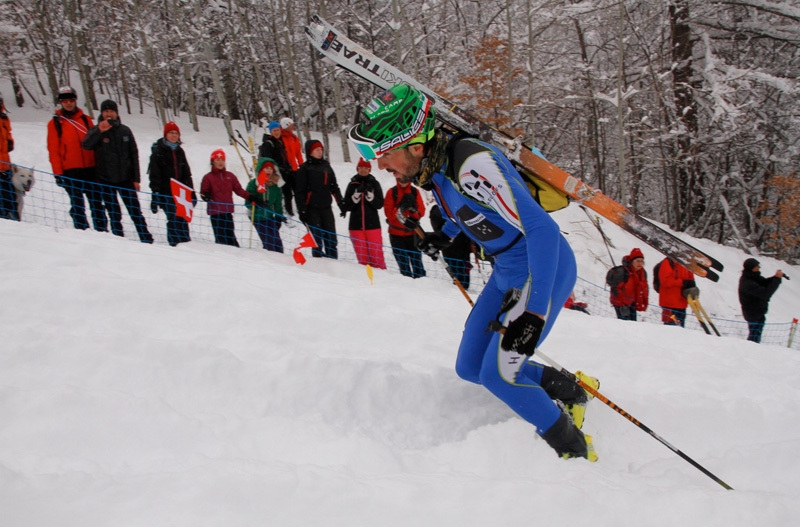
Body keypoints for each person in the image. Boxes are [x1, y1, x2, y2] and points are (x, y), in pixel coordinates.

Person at [348, 83, 598, 461]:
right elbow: (467, 211)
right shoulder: (434, 167)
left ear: (415, 146)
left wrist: (534, 311)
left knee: (501, 377)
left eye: (382, 154)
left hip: (542, 268)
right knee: (470, 367)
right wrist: (443, 237)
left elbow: (542, 230)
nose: (379, 164)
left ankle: (576, 453)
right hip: (508, 271)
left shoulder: (472, 166)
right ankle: (570, 391)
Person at [81, 99, 153, 243]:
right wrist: (99, 131)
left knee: (135, 211)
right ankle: (118, 240)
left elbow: (134, 155)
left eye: (112, 111)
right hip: (105, 179)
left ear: (116, 113)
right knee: (114, 212)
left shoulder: (125, 130)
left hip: (126, 179)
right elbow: (86, 145)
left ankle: (146, 238)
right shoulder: (96, 130)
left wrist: (136, 179)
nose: (109, 114)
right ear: (102, 113)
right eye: (106, 111)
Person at [47, 86, 108, 232]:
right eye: (65, 100)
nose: (68, 103)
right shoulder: (55, 123)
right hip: (70, 171)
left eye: (71, 100)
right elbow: (53, 150)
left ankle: (101, 231)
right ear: (61, 102)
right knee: (77, 203)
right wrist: (58, 173)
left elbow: (95, 142)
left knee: (96, 202)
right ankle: (81, 231)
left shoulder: (86, 120)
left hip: (90, 168)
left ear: (75, 100)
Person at [148, 121, 196, 247]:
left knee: (183, 218)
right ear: (165, 135)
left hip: (181, 192)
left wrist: (192, 193)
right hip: (166, 192)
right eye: (171, 133)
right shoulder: (158, 152)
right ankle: (174, 244)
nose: (174, 136)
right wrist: (155, 194)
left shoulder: (180, 152)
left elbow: (187, 174)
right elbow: (154, 175)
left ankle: (186, 243)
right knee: (173, 217)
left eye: (176, 133)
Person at [295, 139, 344, 259]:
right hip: (312, 209)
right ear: (310, 152)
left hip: (326, 208)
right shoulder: (305, 168)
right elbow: (299, 192)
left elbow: (334, 187)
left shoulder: (326, 166)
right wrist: (302, 210)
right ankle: (319, 265)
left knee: (331, 239)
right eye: (317, 150)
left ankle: (333, 261)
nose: (320, 152)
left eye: (321, 149)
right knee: (316, 240)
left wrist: (341, 203)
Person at [200, 148, 256, 247]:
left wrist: (249, 197)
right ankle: (223, 257)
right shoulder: (208, 177)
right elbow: (203, 192)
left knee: (230, 235)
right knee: (220, 237)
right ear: (212, 162)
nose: (220, 162)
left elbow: (239, 190)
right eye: (217, 160)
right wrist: (206, 196)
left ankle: (236, 255)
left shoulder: (230, 176)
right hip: (216, 212)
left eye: (222, 159)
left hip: (227, 211)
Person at [342, 157, 386, 269]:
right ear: (357, 169)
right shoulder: (352, 184)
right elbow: (346, 206)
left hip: (373, 225)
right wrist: (355, 198)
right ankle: (366, 282)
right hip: (356, 226)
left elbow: (380, 204)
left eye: (366, 168)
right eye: (361, 167)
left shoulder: (375, 184)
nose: (363, 170)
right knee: (363, 259)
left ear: (369, 169)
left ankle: (382, 280)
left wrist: (371, 199)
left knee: (377, 257)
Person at [384, 169, 426, 278]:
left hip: (413, 234)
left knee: (417, 265)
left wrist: (413, 211)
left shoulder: (414, 192)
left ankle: (422, 286)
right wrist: (400, 207)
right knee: (403, 266)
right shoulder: (392, 192)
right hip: (396, 235)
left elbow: (421, 211)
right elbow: (389, 215)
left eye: (405, 177)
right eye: (400, 178)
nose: (403, 181)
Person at [738, 258, 784, 343]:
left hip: (758, 312)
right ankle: (751, 350)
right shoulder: (747, 282)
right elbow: (766, 293)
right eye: (757, 266)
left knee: (755, 335)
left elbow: (764, 282)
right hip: (752, 313)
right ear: (752, 268)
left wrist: (775, 277)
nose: (759, 267)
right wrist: (777, 280)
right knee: (754, 337)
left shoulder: (753, 276)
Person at [245, 157, 284, 252]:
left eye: (270, 168)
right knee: (269, 243)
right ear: (261, 169)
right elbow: (247, 202)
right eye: (266, 168)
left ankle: (280, 263)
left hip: (270, 217)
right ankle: (269, 263)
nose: (269, 170)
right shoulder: (253, 183)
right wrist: (257, 203)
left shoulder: (276, 185)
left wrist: (279, 216)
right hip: (258, 217)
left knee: (278, 244)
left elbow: (278, 203)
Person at [430, 204, 472, 289]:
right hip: (452, 246)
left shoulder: (454, 207)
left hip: (460, 244)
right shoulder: (438, 210)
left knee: (463, 265)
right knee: (458, 267)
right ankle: (460, 286)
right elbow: (438, 229)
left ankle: (463, 286)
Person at [259, 121, 295, 216]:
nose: (276, 132)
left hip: (285, 170)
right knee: (279, 193)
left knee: (288, 193)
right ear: (271, 132)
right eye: (274, 130)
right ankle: (280, 212)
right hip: (275, 172)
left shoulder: (280, 142)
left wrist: (287, 166)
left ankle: (288, 211)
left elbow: (284, 156)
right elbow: (268, 160)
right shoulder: (268, 144)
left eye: (278, 130)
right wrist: (279, 168)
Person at [654, 256, 696, 327]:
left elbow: (690, 277)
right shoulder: (668, 262)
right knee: (670, 332)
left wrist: (691, 284)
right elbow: (665, 281)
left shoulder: (686, 263)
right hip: (669, 305)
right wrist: (682, 282)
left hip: (681, 303)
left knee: (680, 332)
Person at [609, 248, 649, 321]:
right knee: (626, 325)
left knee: (633, 325)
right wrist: (622, 303)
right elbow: (616, 289)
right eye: (637, 261)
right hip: (621, 304)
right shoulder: (623, 272)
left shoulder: (642, 273)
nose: (640, 263)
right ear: (632, 262)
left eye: (641, 261)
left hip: (632, 303)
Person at [0, 92, 17, 220]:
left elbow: (8, 133)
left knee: (9, 196)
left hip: (5, 166)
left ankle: (10, 216)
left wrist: (10, 141)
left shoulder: (4, 117)